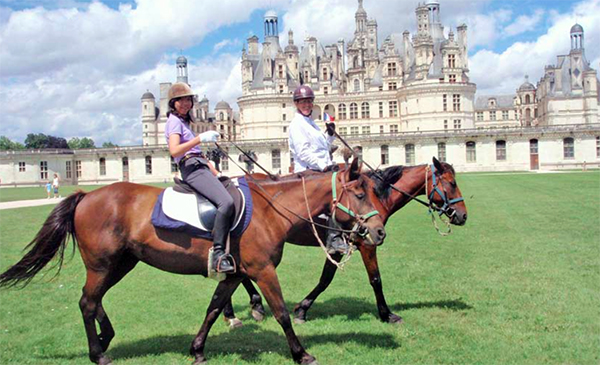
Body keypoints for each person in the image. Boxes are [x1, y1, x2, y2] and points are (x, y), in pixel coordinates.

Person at [164, 82, 235, 273]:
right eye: (181, 100)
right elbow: (174, 150)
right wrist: (200, 139)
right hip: (191, 168)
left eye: (188, 100)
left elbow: (199, 155)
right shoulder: (174, 121)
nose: (186, 103)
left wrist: (216, 173)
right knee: (226, 203)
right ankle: (218, 255)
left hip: (200, 166)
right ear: (173, 103)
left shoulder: (185, 123)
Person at [288, 85, 349, 255]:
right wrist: (324, 166)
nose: (306, 105)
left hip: (320, 170)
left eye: (309, 101)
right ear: (296, 104)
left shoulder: (311, 123)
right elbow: (303, 152)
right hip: (308, 172)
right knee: (336, 194)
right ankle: (334, 239)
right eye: (302, 102)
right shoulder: (296, 125)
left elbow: (322, 148)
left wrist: (329, 135)